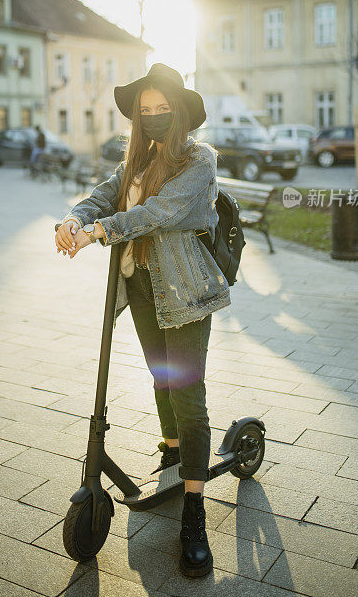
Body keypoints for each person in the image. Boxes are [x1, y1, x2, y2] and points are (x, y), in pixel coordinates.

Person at [55, 63, 231, 578]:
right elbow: (102, 196)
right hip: (142, 288)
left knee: (188, 395)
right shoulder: (136, 161)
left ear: (178, 113)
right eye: (145, 110)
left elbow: (160, 211)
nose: (154, 117)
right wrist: (74, 219)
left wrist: (98, 233)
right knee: (160, 379)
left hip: (186, 291)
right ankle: (172, 453)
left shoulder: (199, 161)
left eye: (162, 108)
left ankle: (194, 514)